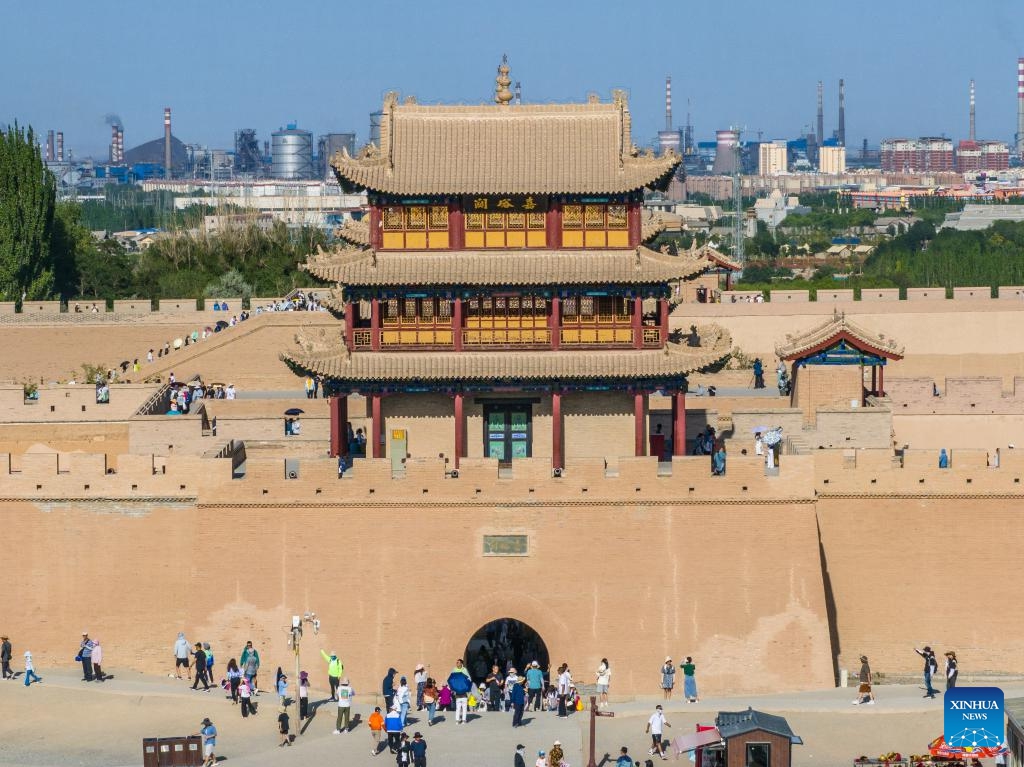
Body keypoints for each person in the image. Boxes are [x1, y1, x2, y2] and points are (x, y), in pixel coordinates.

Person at [449, 659, 473, 724]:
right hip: (457, 691)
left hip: (464, 690)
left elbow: (469, 678)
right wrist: (453, 689)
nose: (457, 664)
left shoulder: (464, 670)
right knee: (458, 708)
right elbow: (451, 679)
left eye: (459, 663)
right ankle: (457, 720)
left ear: (461, 664)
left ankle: (463, 720)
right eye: (457, 663)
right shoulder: (454, 670)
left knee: (464, 707)